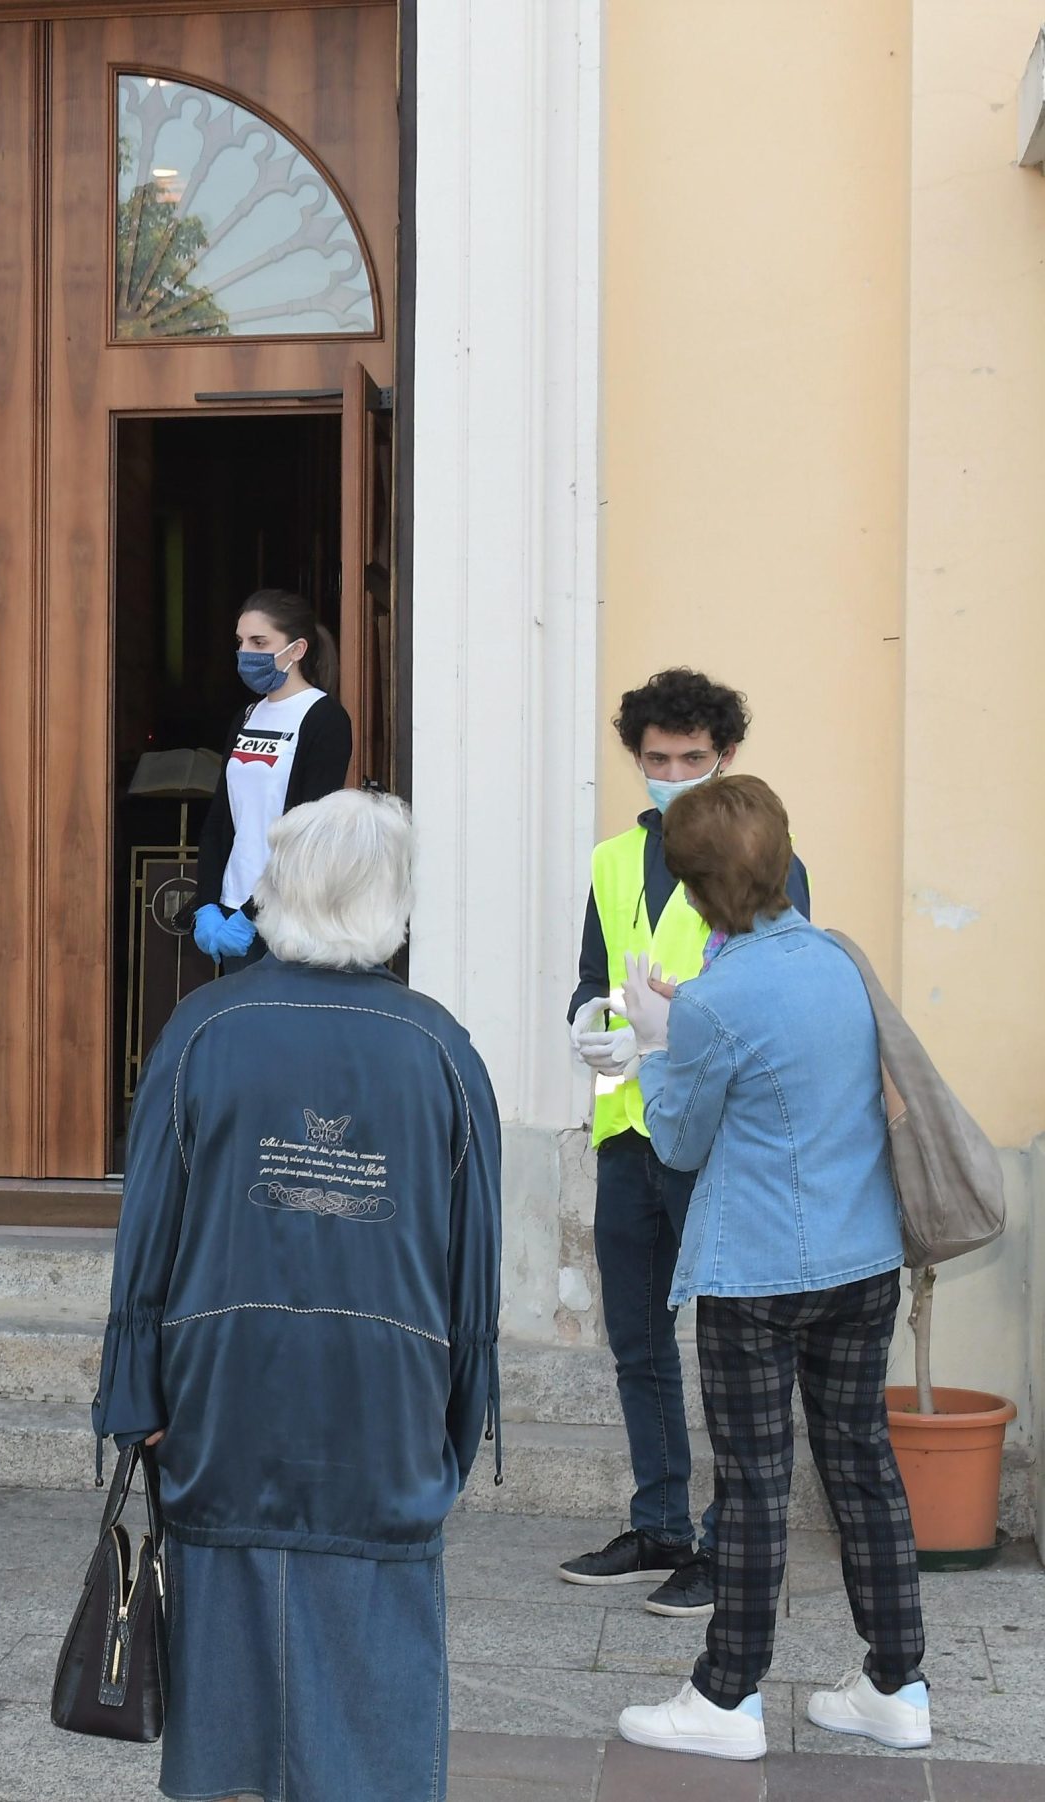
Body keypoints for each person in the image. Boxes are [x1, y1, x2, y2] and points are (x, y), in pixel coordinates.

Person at [94, 790, 499, 1802]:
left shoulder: (202, 1028)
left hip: (222, 1379)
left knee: (225, 1599)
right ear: (394, 898)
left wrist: (133, 1389)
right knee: (378, 1614)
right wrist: (460, 1408)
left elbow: (146, 1232)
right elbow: (472, 1264)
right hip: (387, 1383)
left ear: (277, 887)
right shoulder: (439, 1046)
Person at [614, 776, 927, 1762]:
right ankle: (894, 1680)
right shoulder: (839, 957)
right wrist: (690, 1014)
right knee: (861, 1464)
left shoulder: (714, 999)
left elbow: (677, 1139)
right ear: (781, 857)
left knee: (751, 1482)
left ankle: (725, 1696)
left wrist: (655, 1039)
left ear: (693, 891)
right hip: (862, 1256)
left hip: (755, 1271)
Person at [559, 669, 814, 1618]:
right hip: (628, 1123)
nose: (672, 775)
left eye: (692, 760)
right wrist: (592, 1023)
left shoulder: (770, 859)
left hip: (714, 1138)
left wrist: (673, 1033)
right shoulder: (613, 860)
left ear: (727, 758)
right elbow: (592, 974)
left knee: (733, 1357)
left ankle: (726, 1547)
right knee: (637, 1342)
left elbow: (782, 992)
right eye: (656, 760)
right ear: (636, 759)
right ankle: (661, 1524)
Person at [191, 590, 353, 974]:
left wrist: (254, 910)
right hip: (231, 911)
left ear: (297, 649)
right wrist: (207, 904)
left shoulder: (324, 719)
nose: (246, 652)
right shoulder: (247, 715)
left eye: (259, 642)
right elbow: (220, 819)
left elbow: (309, 833)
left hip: (285, 916)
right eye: (241, 642)